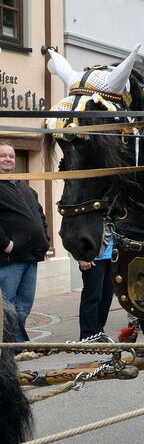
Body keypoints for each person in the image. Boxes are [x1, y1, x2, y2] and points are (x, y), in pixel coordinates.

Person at [0, 142, 50, 342]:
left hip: (31, 256)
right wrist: (6, 244)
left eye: (11, 156)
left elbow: (40, 215)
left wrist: (45, 240)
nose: (8, 159)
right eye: (3, 155)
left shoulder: (23, 185)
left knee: (23, 306)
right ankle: (17, 346)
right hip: (10, 258)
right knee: (7, 306)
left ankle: (13, 345)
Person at [77, 223, 115, 340]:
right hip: (94, 258)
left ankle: (99, 332)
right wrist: (81, 257)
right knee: (92, 296)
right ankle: (87, 334)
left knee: (106, 298)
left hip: (112, 257)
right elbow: (76, 231)